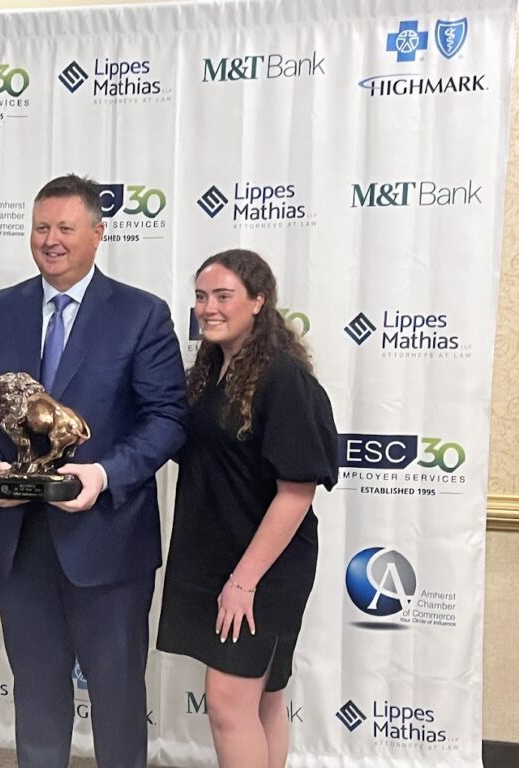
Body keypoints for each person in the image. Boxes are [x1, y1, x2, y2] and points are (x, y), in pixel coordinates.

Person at [0, 174, 188, 768]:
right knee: (36, 696)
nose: (50, 240)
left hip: (109, 542)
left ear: (98, 233)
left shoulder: (142, 314)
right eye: (40, 228)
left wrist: (105, 475)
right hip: (19, 543)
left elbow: (166, 420)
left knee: (116, 698)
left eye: (64, 228)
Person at [157, 249, 338, 768]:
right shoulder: (212, 369)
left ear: (259, 301)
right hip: (217, 559)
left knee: (228, 703)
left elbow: (297, 492)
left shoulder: (283, 378)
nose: (208, 308)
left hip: (264, 570)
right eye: (200, 297)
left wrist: (244, 581)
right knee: (262, 701)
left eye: (223, 296)